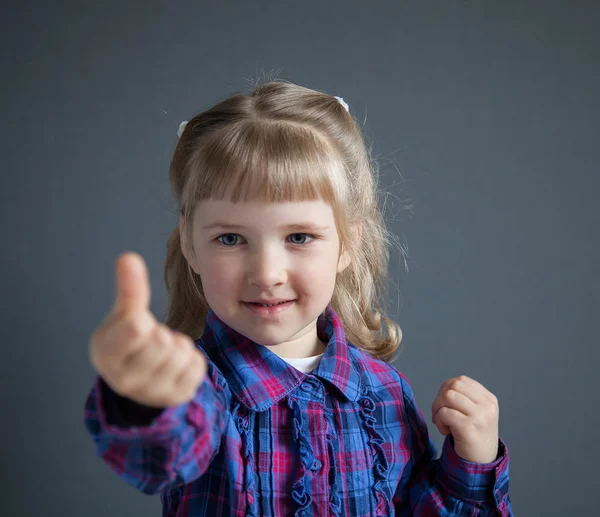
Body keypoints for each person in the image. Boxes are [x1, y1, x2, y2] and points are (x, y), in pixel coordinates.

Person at [83, 80, 514, 516]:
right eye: (230, 238)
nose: (267, 274)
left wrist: (472, 464)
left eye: (299, 236)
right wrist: (139, 396)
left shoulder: (384, 391)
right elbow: (159, 457)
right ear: (191, 245)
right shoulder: (196, 390)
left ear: (346, 244)